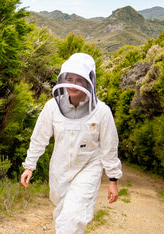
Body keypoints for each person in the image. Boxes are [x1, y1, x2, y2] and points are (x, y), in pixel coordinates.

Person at [20, 53, 122, 233]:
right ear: (63, 79)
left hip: (89, 168)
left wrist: (113, 179)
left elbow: (109, 147)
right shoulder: (52, 107)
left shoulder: (102, 112)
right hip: (60, 168)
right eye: (70, 78)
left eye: (79, 80)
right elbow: (39, 138)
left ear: (89, 82)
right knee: (64, 214)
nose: (73, 84)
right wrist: (30, 165)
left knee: (72, 217)